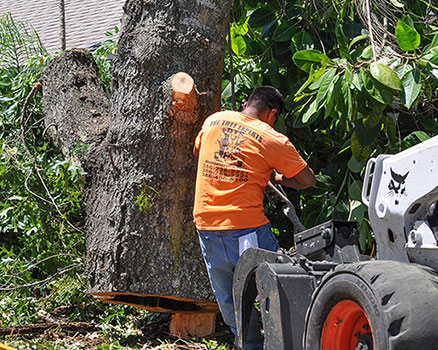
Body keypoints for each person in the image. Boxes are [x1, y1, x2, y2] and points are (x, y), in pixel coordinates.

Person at [193, 86, 316, 349]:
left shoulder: (214, 120)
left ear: (247, 102)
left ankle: (248, 345)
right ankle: (288, 340)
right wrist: (276, 176)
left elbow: (199, 152)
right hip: (246, 228)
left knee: (230, 298)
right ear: (272, 113)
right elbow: (307, 180)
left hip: (207, 226)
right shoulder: (272, 138)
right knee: (276, 285)